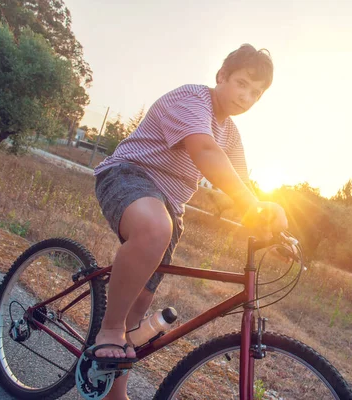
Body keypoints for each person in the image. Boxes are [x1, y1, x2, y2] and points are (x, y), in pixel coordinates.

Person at [91, 44, 288, 400]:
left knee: (139, 308)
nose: (246, 97)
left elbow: (243, 184)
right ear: (221, 77)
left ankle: (112, 393)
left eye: (256, 93)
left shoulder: (231, 134)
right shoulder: (192, 100)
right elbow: (204, 151)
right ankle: (107, 329)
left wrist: (271, 218)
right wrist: (252, 203)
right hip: (127, 176)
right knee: (155, 229)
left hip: (168, 208)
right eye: (242, 84)